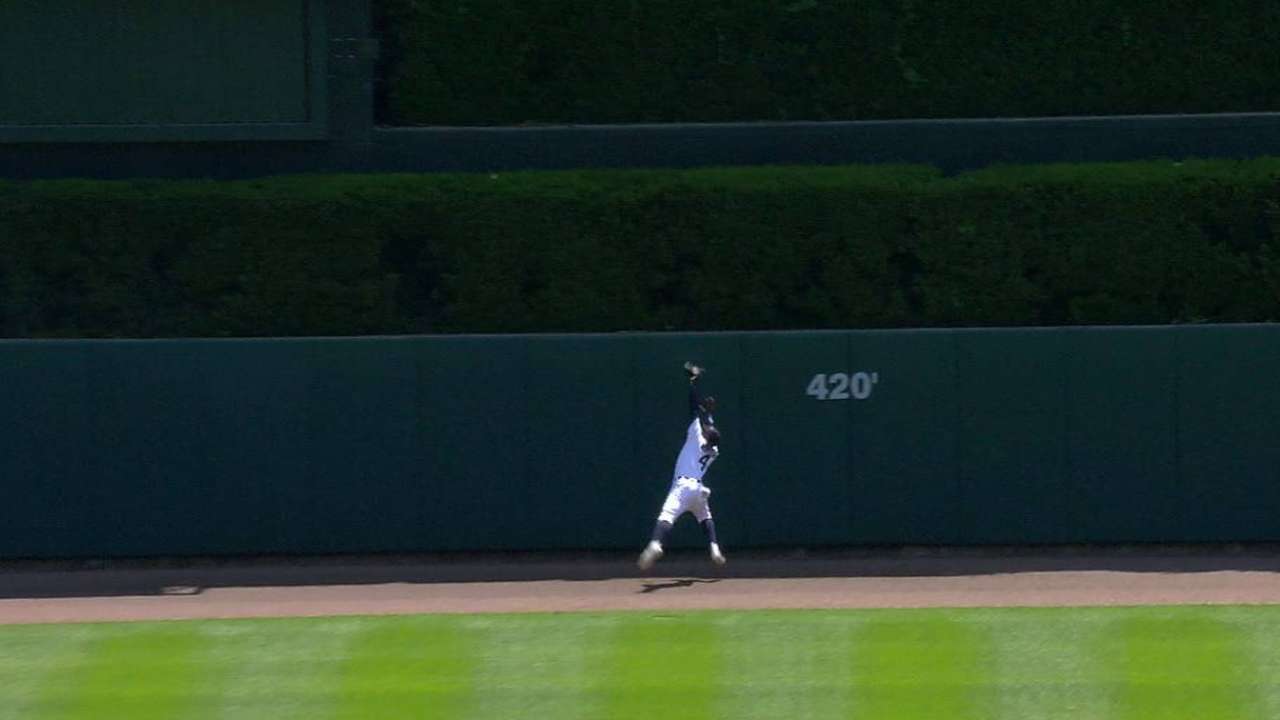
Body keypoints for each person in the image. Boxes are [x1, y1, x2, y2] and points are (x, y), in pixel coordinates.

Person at [637, 362, 726, 570]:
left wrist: (693, 381)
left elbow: (693, 407)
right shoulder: (714, 451)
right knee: (705, 517)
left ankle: (656, 543)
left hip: (683, 486)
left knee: (666, 516)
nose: (704, 428)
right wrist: (710, 414)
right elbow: (712, 433)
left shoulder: (696, 436)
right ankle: (714, 548)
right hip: (699, 490)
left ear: (704, 434)